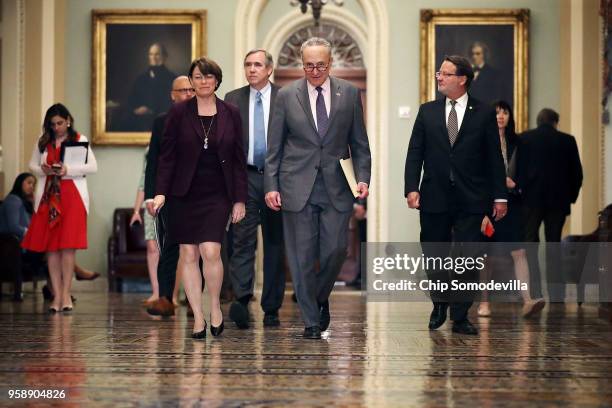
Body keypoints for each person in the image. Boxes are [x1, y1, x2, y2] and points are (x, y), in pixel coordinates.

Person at [265, 37, 371, 340]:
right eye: (308, 65)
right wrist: (271, 186)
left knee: (336, 250)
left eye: (320, 65)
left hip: (337, 187)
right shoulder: (286, 96)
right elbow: (274, 148)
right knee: (300, 256)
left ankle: (319, 296)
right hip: (295, 186)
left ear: (331, 64)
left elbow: (360, 144)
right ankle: (311, 321)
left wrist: (363, 178)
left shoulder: (349, 93)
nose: (314, 70)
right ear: (302, 64)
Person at [404, 55, 507, 336]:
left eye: (446, 74)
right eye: (439, 73)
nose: (440, 77)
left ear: (462, 79)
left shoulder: (484, 113)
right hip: (434, 195)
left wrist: (500, 197)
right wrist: (411, 188)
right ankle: (439, 304)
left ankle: (461, 316)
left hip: (472, 197)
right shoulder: (427, 111)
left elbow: (494, 158)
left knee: (468, 257)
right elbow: (415, 153)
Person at [153, 57, 247, 339]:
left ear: (217, 80)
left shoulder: (231, 112)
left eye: (208, 76)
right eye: (197, 76)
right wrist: (160, 192)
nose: (203, 81)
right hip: (184, 194)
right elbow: (166, 157)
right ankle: (197, 317)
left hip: (218, 192)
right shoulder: (179, 113)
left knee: (211, 251)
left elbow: (238, 159)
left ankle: (214, 306)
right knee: (188, 253)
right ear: (191, 82)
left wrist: (240, 199)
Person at [224, 49, 285, 329]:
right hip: (245, 179)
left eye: (257, 65)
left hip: (277, 180)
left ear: (269, 69)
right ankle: (242, 300)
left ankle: (271, 307)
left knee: (274, 244)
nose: (252, 69)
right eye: (248, 64)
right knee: (242, 241)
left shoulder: (286, 96)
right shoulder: (233, 99)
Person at [21, 103, 98, 313]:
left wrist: (67, 169)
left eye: (60, 123)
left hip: (72, 196)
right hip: (48, 197)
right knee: (52, 249)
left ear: (68, 121)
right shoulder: (43, 141)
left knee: (67, 248)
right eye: (52, 124)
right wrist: (44, 169)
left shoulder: (79, 139)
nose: (57, 128)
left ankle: (66, 295)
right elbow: (31, 165)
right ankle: (56, 294)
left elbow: (92, 166)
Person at [477, 100, 546, 318]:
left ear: (509, 116)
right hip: (487, 206)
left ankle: (527, 300)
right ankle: (484, 303)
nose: (500, 116)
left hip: (512, 205)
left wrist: (515, 186)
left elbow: (529, 174)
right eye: (497, 112)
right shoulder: (482, 142)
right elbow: (474, 173)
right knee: (485, 255)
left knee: (519, 251)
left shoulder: (520, 143)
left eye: (504, 112)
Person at [517, 108, 583, 302]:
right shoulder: (567, 140)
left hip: (531, 200)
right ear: (556, 122)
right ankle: (557, 294)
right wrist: (570, 197)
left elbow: (518, 171)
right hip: (558, 201)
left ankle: (535, 292)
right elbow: (577, 174)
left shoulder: (525, 139)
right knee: (553, 244)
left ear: (538, 122)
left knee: (530, 244)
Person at [144, 75, 195, 317]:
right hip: (169, 195)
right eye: (182, 90)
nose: (187, 94)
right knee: (168, 247)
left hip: (198, 192)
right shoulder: (161, 122)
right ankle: (165, 299)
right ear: (172, 95)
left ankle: (194, 301)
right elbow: (153, 161)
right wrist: (151, 195)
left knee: (197, 249)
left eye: (190, 89)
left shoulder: (205, 118)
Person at [129, 147, 160, 305]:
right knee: (152, 247)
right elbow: (143, 181)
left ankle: (171, 295)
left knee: (176, 249)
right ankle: (156, 292)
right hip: (151, 203)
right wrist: (136, 211)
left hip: (174, 202)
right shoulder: (149, 150)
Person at [122, 43, 176, 131]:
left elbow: (173, 105)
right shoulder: (141, 79)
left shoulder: (172, 79)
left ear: (164, 57)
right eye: (151, 54)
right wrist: (136, 110)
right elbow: (130, 101)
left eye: (157, 54)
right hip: (140, 121)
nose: (153, 57)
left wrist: (152, 111)